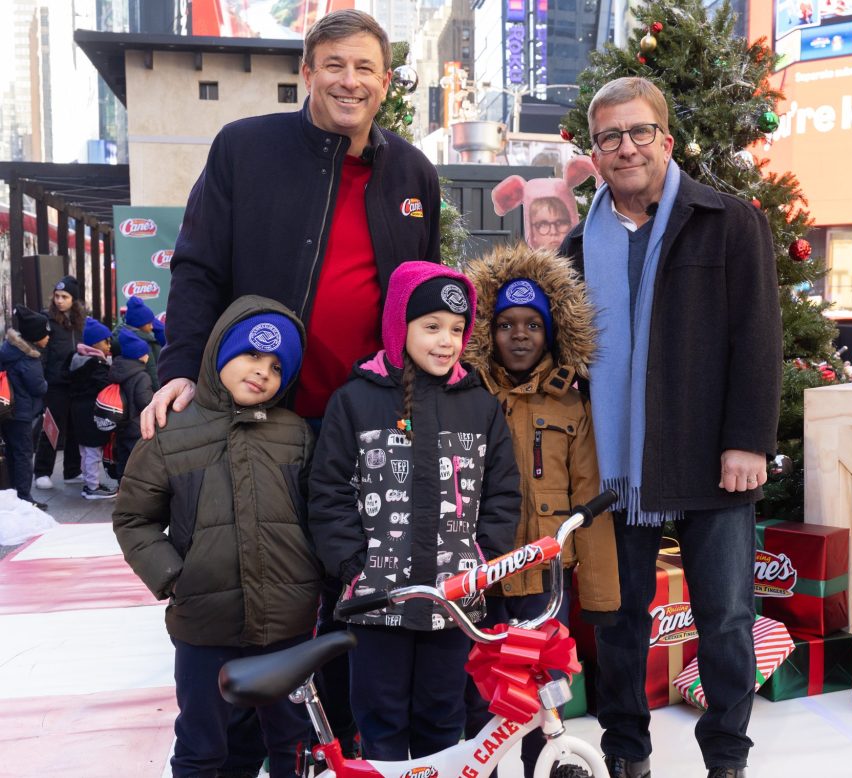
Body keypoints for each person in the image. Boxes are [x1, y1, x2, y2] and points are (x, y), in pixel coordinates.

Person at [142, 12, 443, 746]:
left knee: (354, 595)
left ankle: (332, 748)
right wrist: (181, 370)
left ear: (385, 83)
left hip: (363, 427)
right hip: (260, 424)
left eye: (365, 68)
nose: (350, 80)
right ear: (306, 74)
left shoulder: (413, 175)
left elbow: (422, 296)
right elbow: (198, 267)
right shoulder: (245, 149)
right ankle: (235, 753)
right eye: (334, 64)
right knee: (255, 600)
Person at [559, 77, 783, 778]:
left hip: (711, 454)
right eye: (608, 137)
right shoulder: (575, 246)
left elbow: (757, 337)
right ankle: (626, 752)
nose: (625, 148)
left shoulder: (728, 220)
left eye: (638, 132)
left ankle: (726, 757)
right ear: (594, 152)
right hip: (616, 466)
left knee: (723, 619)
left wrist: (748, 440)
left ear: (666, 139)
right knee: (616, 619)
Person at [307, 261, 521, 761]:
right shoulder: (356, 401)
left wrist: (483, 559)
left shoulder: (479, 406)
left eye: (456, 329)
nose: (446, 341)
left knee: (443, 717)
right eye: (431, 327)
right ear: (398, 325)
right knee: (380, 719)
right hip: (376, 603)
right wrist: (352, 566)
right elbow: (329, 491)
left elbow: (502, 493)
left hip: (453, 604)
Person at [112, 296, 322, 778]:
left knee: (292, 743)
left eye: (276, 366)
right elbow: (133, 518)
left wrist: (315, 571)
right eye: (251, 355)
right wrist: (174, 577)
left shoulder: (295, 436)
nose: (262, 372)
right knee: (204, 746)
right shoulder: (171, 434)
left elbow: (320, 512)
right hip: (205, 628)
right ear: (220, 352)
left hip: (286, 627)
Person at [461, 244, 620, 778]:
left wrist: (599, 595)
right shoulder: (472, 400)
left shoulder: (571, 405)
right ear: (489, 331)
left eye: (533, 324)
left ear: (551, 330)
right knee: (481, 691)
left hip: (545, 578)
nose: (521, 335)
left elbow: (588, 501)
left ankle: (540, 767)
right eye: (507, 324)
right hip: (484, 578)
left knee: (540, 695)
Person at [33, 276, 84, 490]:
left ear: (74, 299)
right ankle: (42, 472)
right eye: (57, 296)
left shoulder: (80, 320)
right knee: (51, 428)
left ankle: (72, 470)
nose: (60, 300)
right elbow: (41, 354)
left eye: (65, 297)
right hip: (54, 383)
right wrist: (42, 382)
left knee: (75, 427)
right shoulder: (47, 320)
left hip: (76, 382)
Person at [1, 306, 51, 510]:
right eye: (45, 333)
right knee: (23, 453)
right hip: (21, 412)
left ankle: (12, 492)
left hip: (5, 409)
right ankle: (24, 497)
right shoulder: (28, 358)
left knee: (11, 451)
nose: (48, 337)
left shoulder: (7, 350)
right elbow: (39, 387)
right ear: (34, 336)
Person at [69, 318, 118, 501]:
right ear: (97, 343)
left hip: (78, 411)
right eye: (107, 341)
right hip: (89, 412)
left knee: (85, 450)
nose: (109, 344)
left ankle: (90, 484)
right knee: (93, 450)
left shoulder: (79, 359)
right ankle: (92, 487)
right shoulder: (95, 364)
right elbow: (104, 385)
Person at [109, 329, 155, 482]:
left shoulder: (118, 370)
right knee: (139, 460)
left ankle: (122, 485)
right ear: (139, 356)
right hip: (137, 425)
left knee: (123, 458)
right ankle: (136, 490)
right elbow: (145, 401)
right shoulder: (141, 376)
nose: (148, 356)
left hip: (122, 424)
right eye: (146, 353)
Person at [112, 296, 162, 391]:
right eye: (149, 324)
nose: (152, 327)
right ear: (139, 324)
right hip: (147, 392)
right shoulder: (143, 344)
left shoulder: (119, 338)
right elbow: (152, 373)